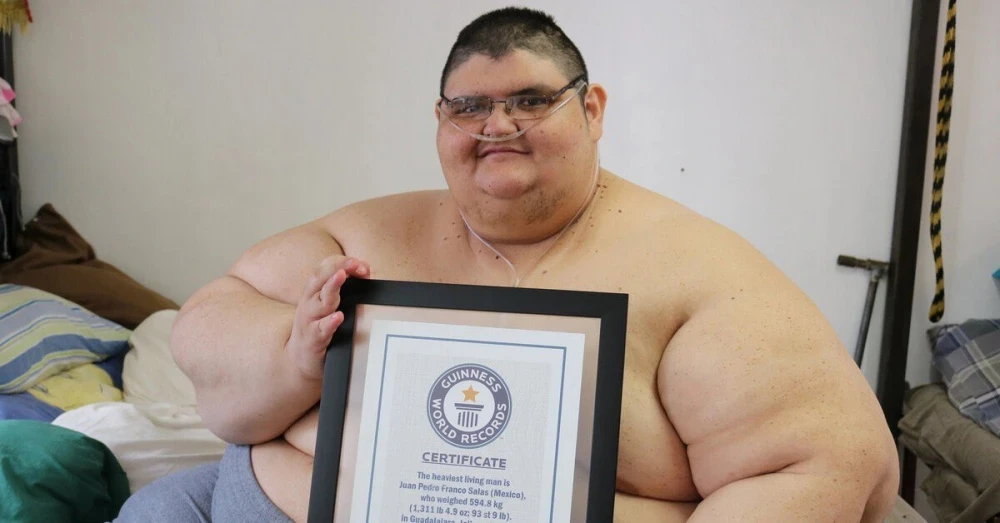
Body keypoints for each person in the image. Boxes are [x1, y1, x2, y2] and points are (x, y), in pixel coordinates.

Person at [117, 6, 899, 522]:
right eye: (469, 107)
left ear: (591, 109)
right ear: (440, 121)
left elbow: (836, 464)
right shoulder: (366, 234)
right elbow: (209, 330)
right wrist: (293, 357)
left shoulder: (699, 276)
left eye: (530, 100)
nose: (497, 126)